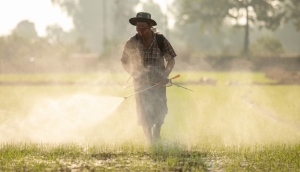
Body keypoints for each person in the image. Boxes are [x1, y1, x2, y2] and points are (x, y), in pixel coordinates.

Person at [121, 12, 176, 143]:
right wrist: (134, 73)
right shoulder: (132, 42)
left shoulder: (160, 40)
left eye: (143, 27)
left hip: (158, 83)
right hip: (140, 84)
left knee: (160, 110)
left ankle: (157, 133)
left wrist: (165, 75)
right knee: (143, 112)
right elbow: (124, 61)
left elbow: (171, 60)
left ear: (150, 26)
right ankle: (149, 140)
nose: (140, 30)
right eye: (138, 27)